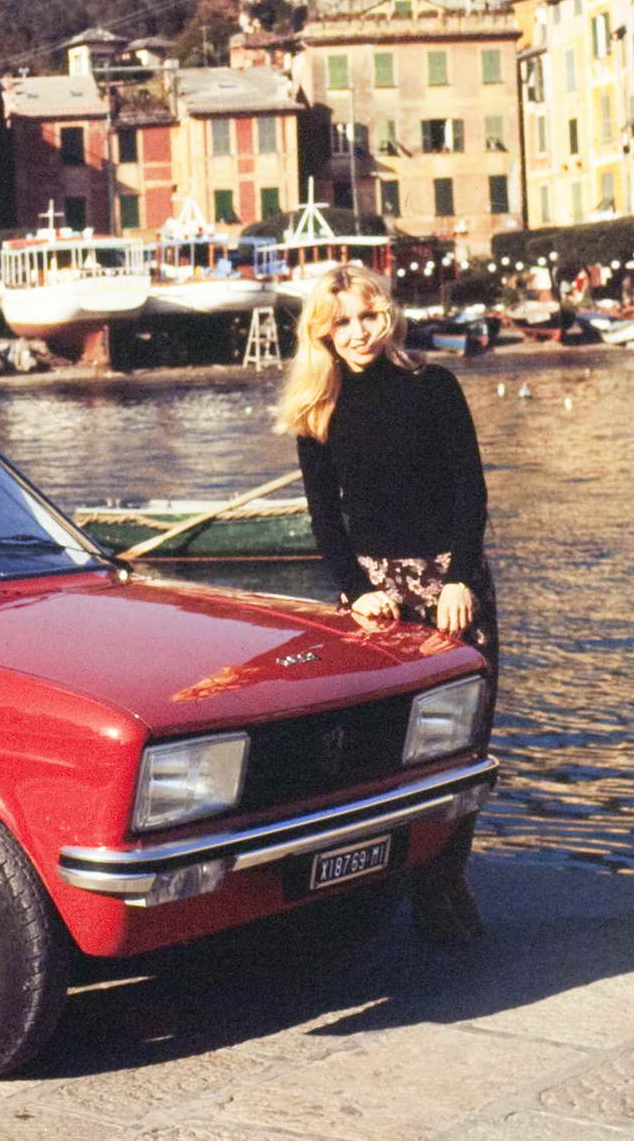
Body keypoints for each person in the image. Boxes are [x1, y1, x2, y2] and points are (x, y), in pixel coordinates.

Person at [274, 262, 496, 943]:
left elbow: (470, 489)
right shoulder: (317, 409)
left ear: (388, 314)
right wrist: (356, 590)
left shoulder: (433, 386)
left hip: (451, 584)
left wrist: (460, 577)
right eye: (342, 322)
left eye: (368, 316)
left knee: (464, 739)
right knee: (385, 746)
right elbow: (325, 520)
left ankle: (444, 875)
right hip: (375, 596)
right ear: (322, 332)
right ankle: (394, 874)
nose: (358, 332)